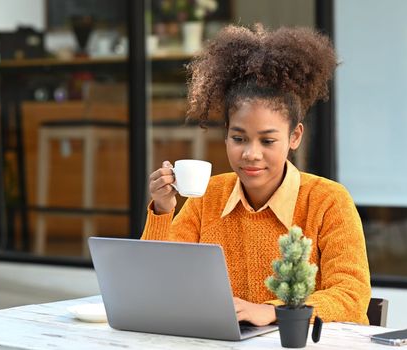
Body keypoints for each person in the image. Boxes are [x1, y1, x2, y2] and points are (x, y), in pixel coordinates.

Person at [141, 24, 371, 326]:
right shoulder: (207, 198)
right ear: (226, 135)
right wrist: (162, 210)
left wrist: (273, 311)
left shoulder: (328, 201)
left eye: (267, 140)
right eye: (239, 138)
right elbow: (156, 284)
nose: (251, 153)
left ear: (294, 136)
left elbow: (351, 295)